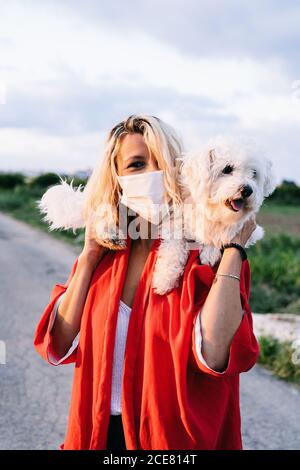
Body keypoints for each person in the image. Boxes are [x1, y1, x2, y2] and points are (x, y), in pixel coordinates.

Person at [33, 114, 259, 450]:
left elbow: (214, 355)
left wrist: (234, 250)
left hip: (176, 442)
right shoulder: (107, 256)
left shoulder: (204, 252)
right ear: (117, 178)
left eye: (162, 162)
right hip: (100, 434)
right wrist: (88, 257)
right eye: (137, 164)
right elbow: (58, 344)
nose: (153, 174)